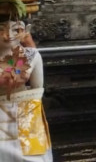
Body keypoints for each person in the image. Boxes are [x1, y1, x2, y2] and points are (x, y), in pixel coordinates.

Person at [0, 13, 51, 162]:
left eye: (16, 30)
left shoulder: (32, 55)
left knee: (31, 157)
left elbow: (37, 91)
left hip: (26, 114)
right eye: (1, 29)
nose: (8, 35)